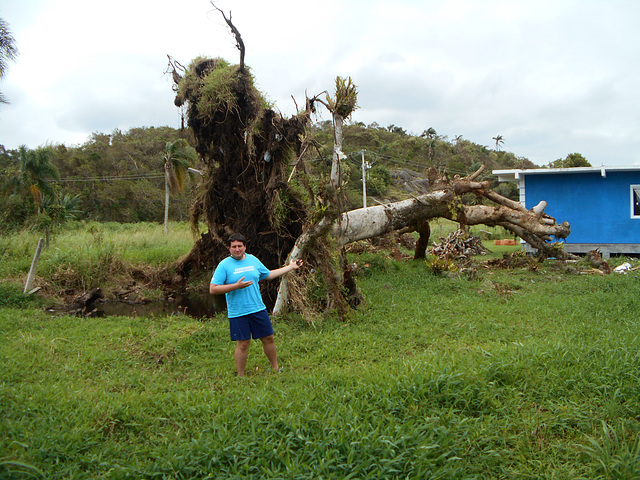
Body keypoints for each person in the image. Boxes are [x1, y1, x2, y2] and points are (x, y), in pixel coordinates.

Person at [209, 233, 303, 377]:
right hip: (238, 312)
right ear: (229, 249)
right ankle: (240, 376)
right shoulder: (224, 265)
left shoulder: (253, 260)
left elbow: (269, 275)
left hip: (258, 309)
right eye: (234, 247)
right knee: (243, 343)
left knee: (268, 338)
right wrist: (235, 286)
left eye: (240, 246)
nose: (237, 249)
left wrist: (290, 267)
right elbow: (213, 288)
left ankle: (276, 369)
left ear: (245, 247)